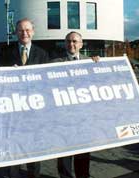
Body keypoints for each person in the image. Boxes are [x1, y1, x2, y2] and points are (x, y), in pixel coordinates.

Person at [0, 18, 49, 178]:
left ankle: (34, 175)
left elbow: (47, 82)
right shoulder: (6, 52)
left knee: (33, 147)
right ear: (15, 33)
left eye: (27, 30)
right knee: (14, 146)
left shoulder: (42, 54)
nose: (24, 33)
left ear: (33, 32)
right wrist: (8, 73)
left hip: (34, 110)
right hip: (13, 109)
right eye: (20, 30)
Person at [52, 31, 98, 178]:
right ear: (65, 44)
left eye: (74, 41)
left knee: (83, 158)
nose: (71, 44)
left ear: (81, 44)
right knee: (64, 158)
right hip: (63, 120)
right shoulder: (55, 63)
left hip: (83, 120)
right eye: (68, 41)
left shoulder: (90, 62)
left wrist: (99, 65)